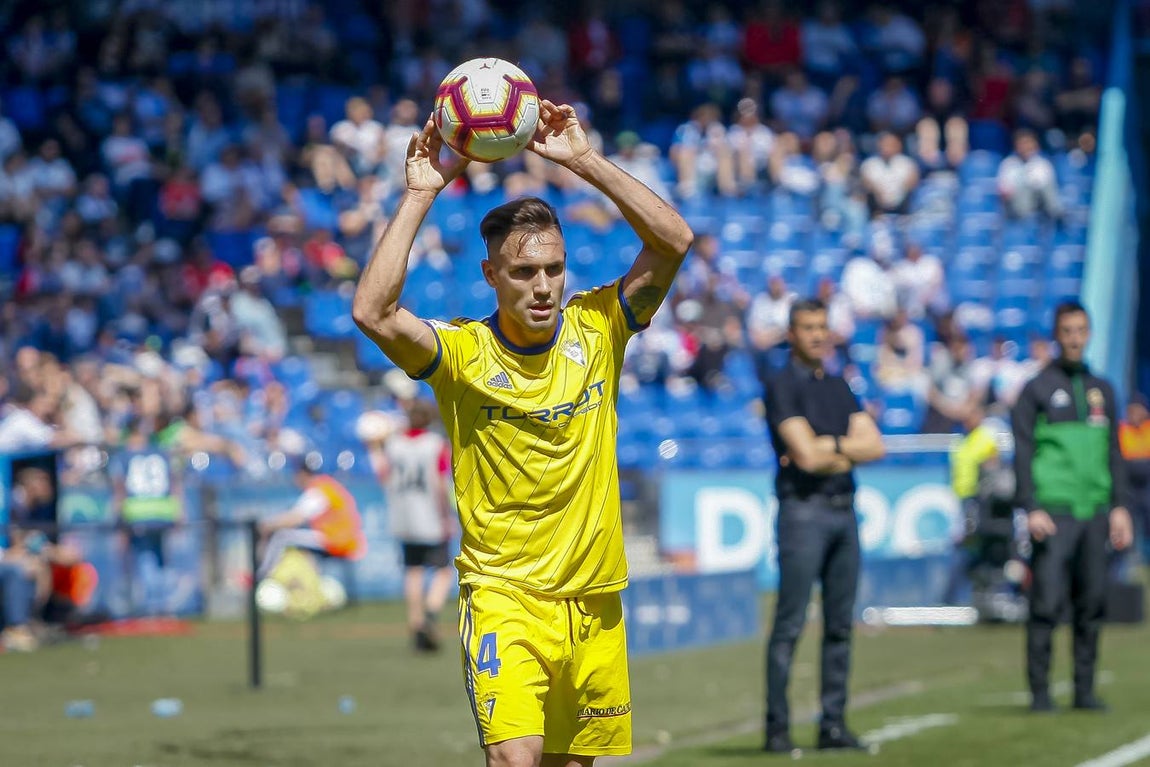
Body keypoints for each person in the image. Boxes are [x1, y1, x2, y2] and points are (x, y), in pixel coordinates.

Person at [352, 100, 693, 766]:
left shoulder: (600, 327)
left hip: (593, 601)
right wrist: (422, 192)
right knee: (515, 760)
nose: (544, 286)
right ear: (490, 275)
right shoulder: (462, 354)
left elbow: (674, 241)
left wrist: (583, 160)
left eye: (554, 268)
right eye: (523, 271)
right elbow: (373, 310)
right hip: (503, 596)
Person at [762, 298, 886, 754]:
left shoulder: (838, 385)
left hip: (843, 511)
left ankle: (832, 724)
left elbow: (875, 446)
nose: (817, 335)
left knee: (840, 625)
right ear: (791, 334)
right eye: (807, 327)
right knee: (790, 624)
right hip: (803, 513)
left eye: (822, 326)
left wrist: (827, 445)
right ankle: (777, 729)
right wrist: (840, 447)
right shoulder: (781, 386)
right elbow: (807, 458)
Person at [1011, 302, 1134, 712]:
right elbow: (1023, 453)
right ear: (1056, 336)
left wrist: (1119, 506)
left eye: (1081, 330)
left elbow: (1113, 452)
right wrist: (1030, 505)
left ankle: (1084, 691)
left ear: (1090, 333)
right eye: (1067, 331)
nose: (1075, 338)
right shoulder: (1037, 390)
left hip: (1095, 511)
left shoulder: (1104, 389)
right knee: (1045, 604)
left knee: (1092, 603)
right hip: (1054, 511)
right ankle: (1040, 693)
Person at [366, 398, 455, 653]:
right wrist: (446, 516)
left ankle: (414, 623)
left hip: (403, 516)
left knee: (413, 570)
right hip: (429, 516)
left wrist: (374, 446)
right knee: (443, 571)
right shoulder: (436, 445)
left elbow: (383, 475)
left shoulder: (393, 444)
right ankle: (431, 611)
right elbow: (440, 484)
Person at [110, 415, 184, 616]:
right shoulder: (162, 453)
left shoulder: (123, 457)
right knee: (161, 559)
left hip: (137, 513)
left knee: (146, 560)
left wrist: (118, 519)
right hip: (163, 512)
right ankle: (165, 606)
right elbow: (175, 485)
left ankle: (154, 608)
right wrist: (178, 512)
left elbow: (120, 490)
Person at [256, 457, 366, 581]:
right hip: (347, 541)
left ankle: (262, 577)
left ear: (303, 474)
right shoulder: (328, 485)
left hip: (336, 540)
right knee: (297, 540)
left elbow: (295, 518)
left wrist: (267, 525)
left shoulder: (319, 489)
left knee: (281, 536)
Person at [1118, 393, 1150, 557]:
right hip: (1128, 488)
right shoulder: (1121, 430)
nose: (1134, 414)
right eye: (1131, 411)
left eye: (1138, 410)